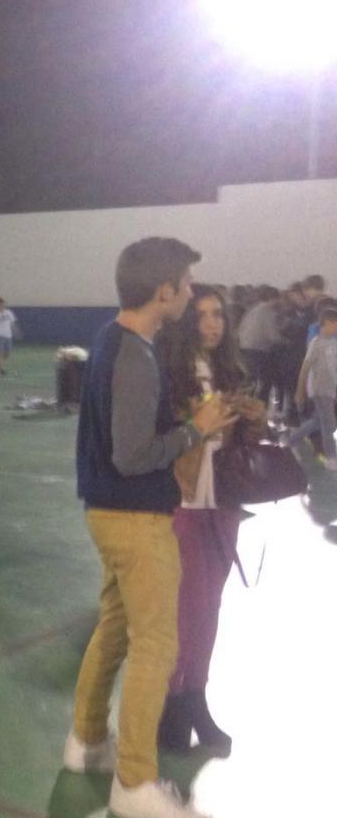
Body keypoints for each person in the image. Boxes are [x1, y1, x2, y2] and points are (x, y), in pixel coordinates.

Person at [66, 237, 235, 818]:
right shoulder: (134, 354)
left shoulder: (113, 341)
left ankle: (85, 741)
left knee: (116, 627)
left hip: (109, 511)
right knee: (156, 645)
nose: (191, 294)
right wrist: (197, 427)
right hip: (135, 517)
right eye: (186, 284)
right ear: (163, 291)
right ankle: (136, 783)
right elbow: (134, 455)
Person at [156, 285, 264, 757]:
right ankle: (171, 705)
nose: (212, 323)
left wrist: (256, 420)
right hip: (182, 503)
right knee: (185, 611)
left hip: (223, 501)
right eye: (201, 316)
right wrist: (198, 421)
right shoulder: (169, 374)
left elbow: (243, 441)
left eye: (218, 314)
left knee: (210, 609)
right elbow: (158, 440)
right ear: (187, 323)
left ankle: (196, 698)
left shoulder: (232, 372)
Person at [294, 302, 337, 468]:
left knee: (317, 421)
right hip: (319, 389)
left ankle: (291, 440)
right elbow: (305, 368)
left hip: (331, 389)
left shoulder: (333, 342)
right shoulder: (316, 343)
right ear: (326, 324)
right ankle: (332, 458)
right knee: (329, 424)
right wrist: (300, 391)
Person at [0, 297, 19, 376]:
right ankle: (0, 370)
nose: (2, 306)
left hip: (8, 336)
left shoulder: (9, 313)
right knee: (0, 353)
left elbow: (12, 323)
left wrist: (16, 332)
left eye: (3, 304)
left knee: (7, 354)